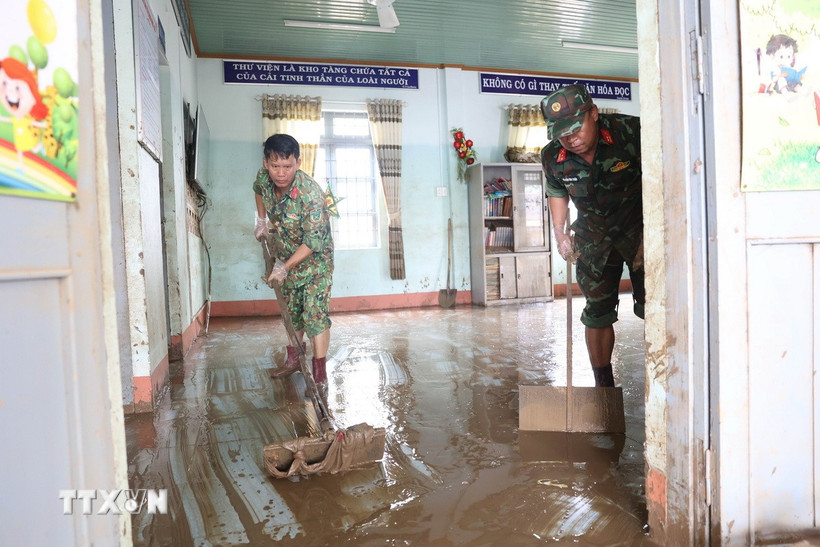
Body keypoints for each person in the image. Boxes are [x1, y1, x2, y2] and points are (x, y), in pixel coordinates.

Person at [539, 84, 644, 388]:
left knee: (655, 306)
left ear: (594, 113)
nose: (570, 138)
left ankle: (663, 375)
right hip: (593, 236)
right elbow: (557, 192)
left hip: (638, 229)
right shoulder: (553, 157)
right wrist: (560, 235)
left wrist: (658, 231)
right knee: (596, 313)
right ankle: (604, 387)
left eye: (575, 128)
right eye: (561, 132)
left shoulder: (630, 132)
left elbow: (664, 175)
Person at [253, 133, 334, 384]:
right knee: (292, 311)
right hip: (287, 252)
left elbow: (312, 242)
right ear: (266, 163)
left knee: (313, 313)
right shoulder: (263, 178)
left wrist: (284, 268)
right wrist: (262, 220)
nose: (281, 173)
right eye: (275, 166)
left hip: (315, 261)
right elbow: (258, 190)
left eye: (287, 166)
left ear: (298, 163)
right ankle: (293, 361)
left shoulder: (310, 194)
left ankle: (319, 373)